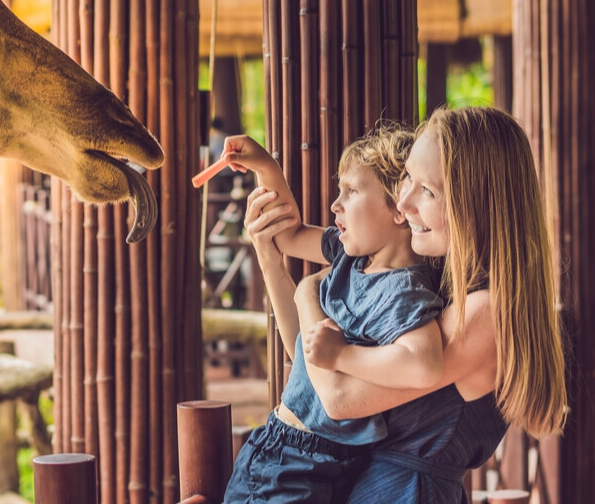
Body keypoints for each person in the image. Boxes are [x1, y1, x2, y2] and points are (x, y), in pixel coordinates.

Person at [247, 106, 568, 502]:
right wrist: (270, 260)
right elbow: (311, 370)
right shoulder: (441, 280)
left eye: (427, 190)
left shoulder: (486, 311)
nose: (403, 203)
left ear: (476, 204)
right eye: (408, 180)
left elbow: (338, 397)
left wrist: (308, 293)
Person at [220, 123, 446, 503]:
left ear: (397, 208)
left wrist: (342, 354)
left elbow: (424, 362)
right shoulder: (349, 256)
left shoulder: (404, 291)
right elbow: (287, 235)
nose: (335, 205)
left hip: (299, 461)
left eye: (351, 191)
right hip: (296, 450)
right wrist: (265, 167)